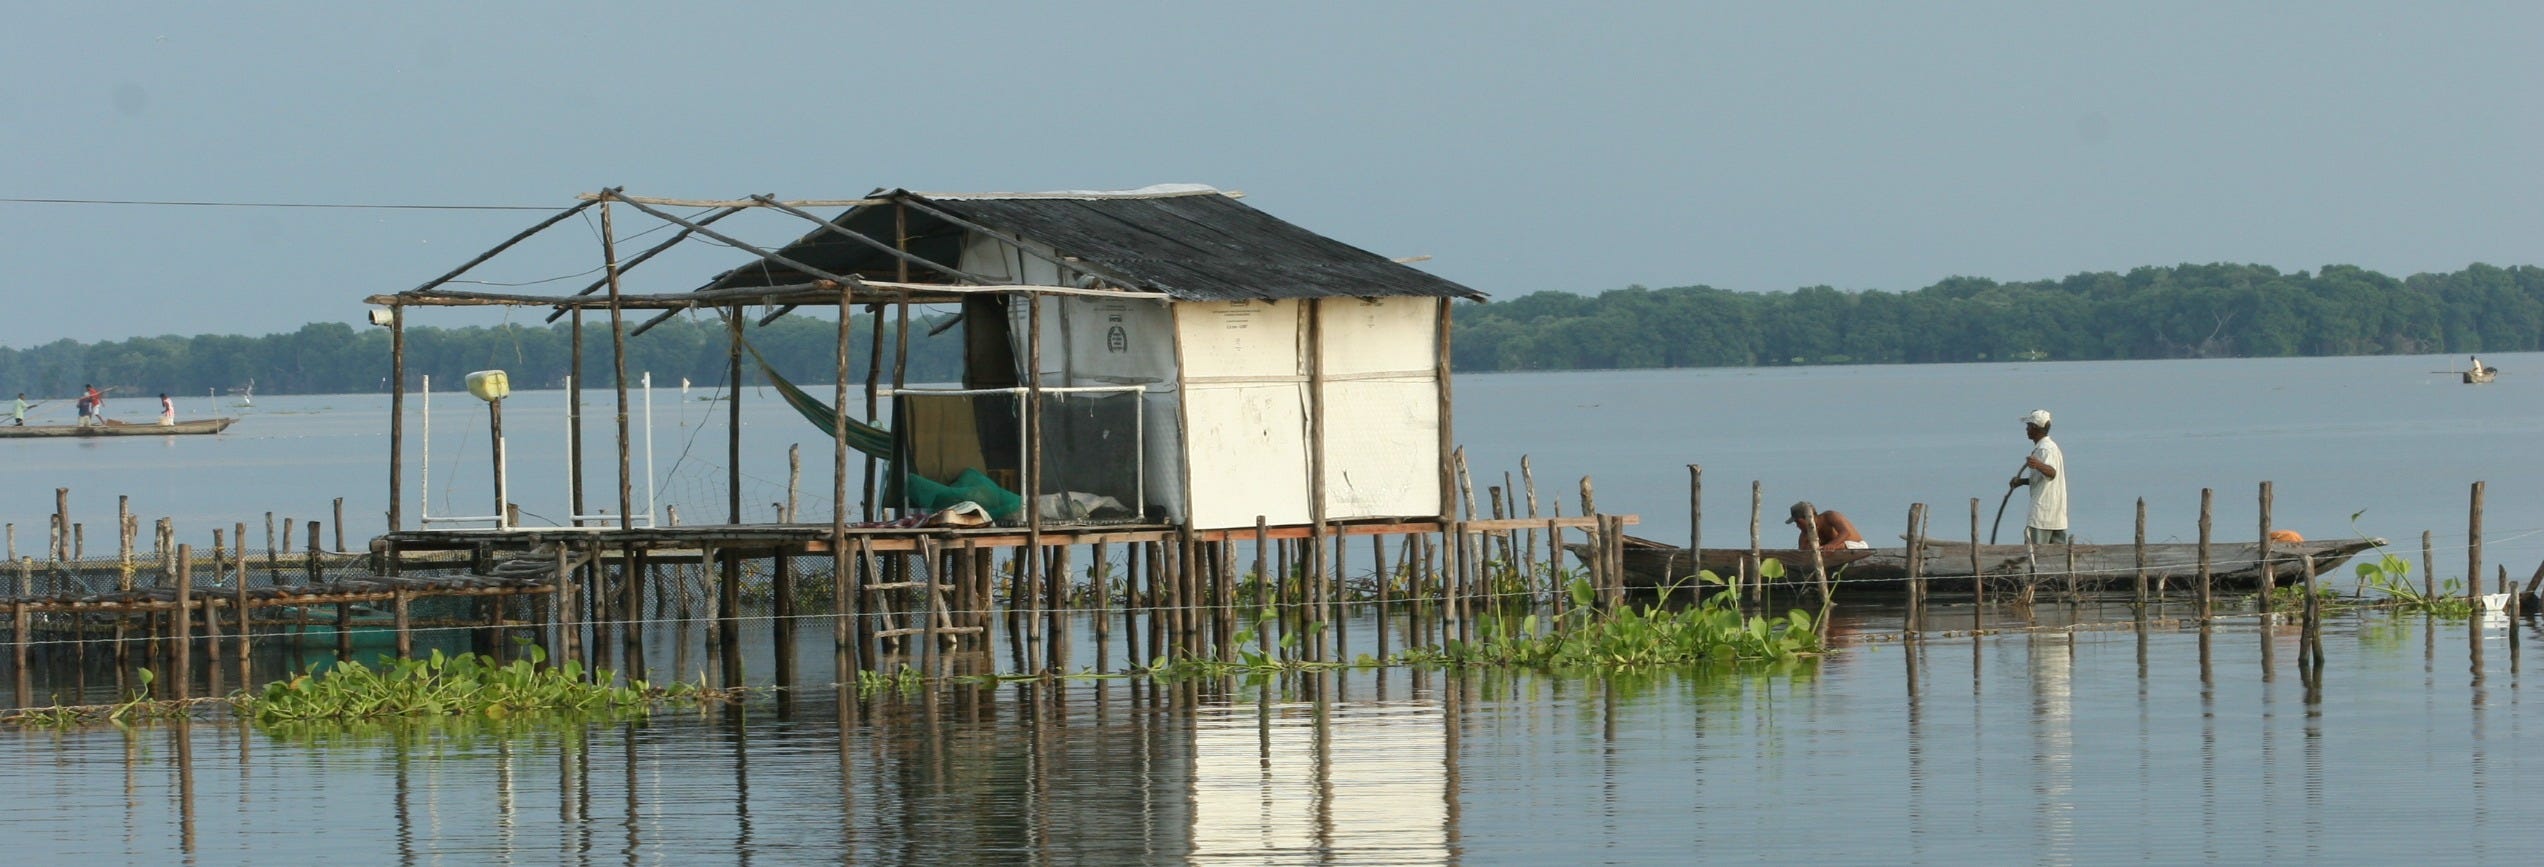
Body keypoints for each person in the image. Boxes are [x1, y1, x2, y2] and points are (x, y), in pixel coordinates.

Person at [2007, 409, 2068, 545]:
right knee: (2058, 560)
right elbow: (2044, 479)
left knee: (2034, 555)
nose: (2026, 429)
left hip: (2042, 515)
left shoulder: (2045, 449)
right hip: (2056, 516)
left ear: (2035, 428)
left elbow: (2052, 472)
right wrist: (2022, 482)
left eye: (2028, 426)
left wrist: (2038, 464)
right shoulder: (2050, 447)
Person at [1785, 500, 1868, 550]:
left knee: (1841, 546)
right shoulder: (1804, 535)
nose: (1797, 526)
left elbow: (1845, 532)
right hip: (1833, 560)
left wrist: (1831, 545)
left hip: (1857, 547)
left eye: (1798, 522)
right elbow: (1802, 553)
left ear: (1808, 518)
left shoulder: (1830, 516)